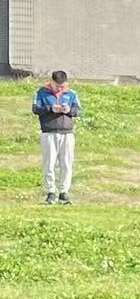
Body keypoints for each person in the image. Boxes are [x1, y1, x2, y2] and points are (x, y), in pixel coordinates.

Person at [32, 70, 80, 205]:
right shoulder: (41, 92)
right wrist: (50, 109)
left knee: (66, 164)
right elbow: (35, 108)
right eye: (58, 85)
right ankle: (51, 192)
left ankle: (64, 193)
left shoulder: (71, 93)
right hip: (49, 132)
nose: (60, 88)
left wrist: (68, 110)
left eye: (62, 85)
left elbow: (78, 110)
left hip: (67, 133)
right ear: (52, 81)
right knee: (49, 163)